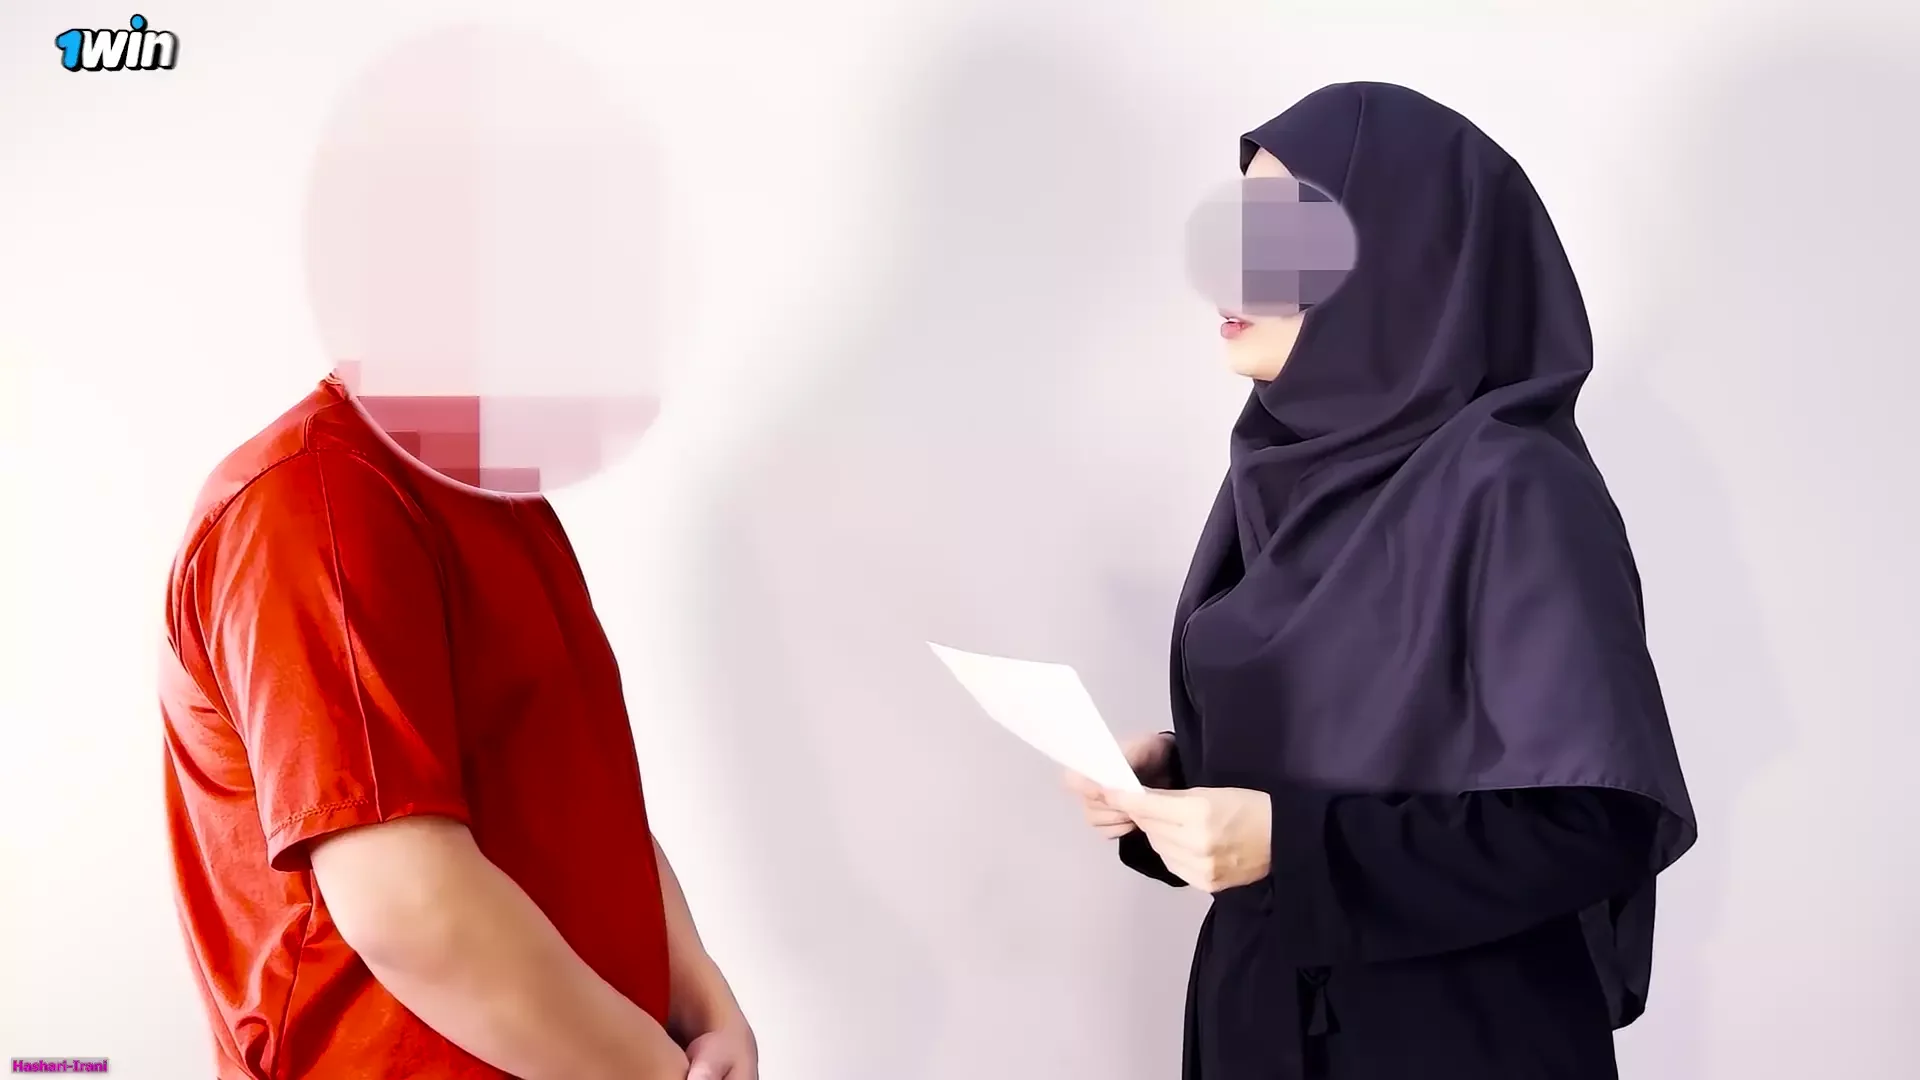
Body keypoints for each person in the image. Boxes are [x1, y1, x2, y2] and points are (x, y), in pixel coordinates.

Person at [1065, 82, 1696, 1079]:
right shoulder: (1281, 471)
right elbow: (1366, 743)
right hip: (1256, 1020)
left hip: (1453, 1040)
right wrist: (1177, 782)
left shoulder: (1514, 484)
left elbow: (1596, 819)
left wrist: (1293, 848)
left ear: (1401, 258)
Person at [159, 372, 757, 1080]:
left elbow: (585, 803)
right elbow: (404, 906)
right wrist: (655, 1071)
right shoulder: (317, 496)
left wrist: (705, 1008)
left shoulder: (493, 494)